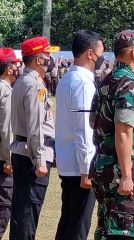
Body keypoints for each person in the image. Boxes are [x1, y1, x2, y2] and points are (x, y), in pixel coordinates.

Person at [89, 29, 134, 240]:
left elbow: (93, 122)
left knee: (106, 230)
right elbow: (123, 131)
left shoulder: (107, 80)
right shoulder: (130, 83)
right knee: (122, 233)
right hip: (119, 172)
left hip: (103, 167)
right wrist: (126, 176)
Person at [55, 30, 104, 240]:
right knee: (77, 226)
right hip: (79, 166)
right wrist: (87, 168)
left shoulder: (68, 78)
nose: (103, 57)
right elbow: (84, 129)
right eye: (101, 52)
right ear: (90, 53)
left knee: (68, 221)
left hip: (69, 162)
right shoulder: (83, 83)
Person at [10, 36, 59, 240]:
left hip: (22, 151)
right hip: (33, 155)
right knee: (28, 212)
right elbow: (36, 126)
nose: (50, 59)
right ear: (39, 59)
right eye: (47, 55)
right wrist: (39, 160)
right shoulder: (34, 85)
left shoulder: (23, 81)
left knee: (22, 211)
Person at [0, 48, 21, 239]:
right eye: (15, 64)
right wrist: (8, 159)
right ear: (8, 69)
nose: (17, 67)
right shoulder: (6, 92)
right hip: (2, 159)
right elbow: (6, 129)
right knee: (4, 207)